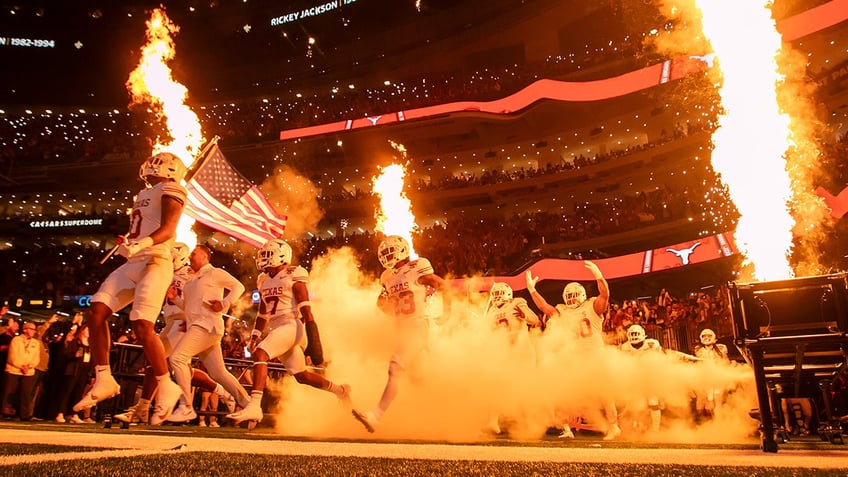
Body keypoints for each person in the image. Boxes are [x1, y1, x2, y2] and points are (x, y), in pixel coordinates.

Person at [73, 152, 187, 424]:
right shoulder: (143, 193)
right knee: (97, 310)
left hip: (156, 260)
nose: (152, 164)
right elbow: (145, 225)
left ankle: (166, 385)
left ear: (171, 169)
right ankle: (104, 378)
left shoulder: (173, 188)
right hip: (134, 260)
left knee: (141, 323)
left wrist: (142, 243)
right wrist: (132, 240)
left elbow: (169, 228)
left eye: (159, 162)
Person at [114, 243, 239, 425]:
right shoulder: (166, 273)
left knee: (158, 362)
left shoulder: (191, 273)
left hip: (183, 322)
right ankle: (221, 390)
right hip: (171, 322)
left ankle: (146, 408)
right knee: (180, 369)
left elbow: (196, 299)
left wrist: (194, 318)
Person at [228, 239, 350, 424]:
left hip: (292, 325)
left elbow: (306, 309)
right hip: (278, 328)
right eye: (263, 255)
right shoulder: (263, 280)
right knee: (302, 376)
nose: (264, 259)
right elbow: (263, 312)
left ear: (282, 255)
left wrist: (313, 338)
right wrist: (255, 335)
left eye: (268, 255)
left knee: (261, 354)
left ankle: (254, 406)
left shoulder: (294, 274)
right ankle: (341, 391)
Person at [352, 235, 451, 433]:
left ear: (403, 250)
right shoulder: (387, 277)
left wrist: (447, 311)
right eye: (385, 254)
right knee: (417, 378)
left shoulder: (418, 266)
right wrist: (388, 306)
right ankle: (441, 410)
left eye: (391, 252)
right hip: (402, 330)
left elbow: (442, 285)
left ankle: (375, 416)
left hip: (418, 326)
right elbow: (382, 304)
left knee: (395, 367)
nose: (388, 257)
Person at [525, 260, 621, 440]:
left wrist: (599, 277)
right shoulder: (562, 311)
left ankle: (614, 426)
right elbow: (544, 307)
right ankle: (565, 428)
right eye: (569, 295)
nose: (571, 297)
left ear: (583, 294)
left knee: (603, 392)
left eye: (575, 294)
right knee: (560, 392)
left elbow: (605, 295)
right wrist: (532, 290)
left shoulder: (592, 306)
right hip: (572, 358)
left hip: (593, 355)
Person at [167, 244, 251, 423]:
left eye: (194, 254)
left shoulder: (214, 273)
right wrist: (175, 299)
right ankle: (249, 404)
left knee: (177, 358)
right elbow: (190, 307)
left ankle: (186, 406)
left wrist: (224, 302)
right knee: (218, 373)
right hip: (201, 327)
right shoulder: (191, 280)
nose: (190, 256)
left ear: (205, 257)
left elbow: (238, 287)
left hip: (206, 326)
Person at [483, 282, 541, 435]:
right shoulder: (492, 311)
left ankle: (530, 423)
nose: (496, 296)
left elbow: (535, 320)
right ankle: (493, 422)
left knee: (525, 389)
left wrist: (525, 315)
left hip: (523, 352)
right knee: (495, 386)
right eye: (495, 293)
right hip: (506, 354)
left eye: (499, 293)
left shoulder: (517, 303)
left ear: (508, 294)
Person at [620, 324, 664, 433]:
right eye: (632, 334)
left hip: (650, 377)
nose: (634, 336)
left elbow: (660, 359)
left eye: (636, 334)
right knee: (636, 404)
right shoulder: (625, 347)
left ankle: (655, 429)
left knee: (653, 402)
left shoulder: (652, 344)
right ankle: (638, 425)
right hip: (635, 379)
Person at [1, 321, 39, 420]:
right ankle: (4, 412)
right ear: (25, 329)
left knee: (26, 393)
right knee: (8, 392)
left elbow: (36, 358)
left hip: (29, 372)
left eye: (34, 329)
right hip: (14, 370)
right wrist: (21, 366)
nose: (33, 331)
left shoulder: (36, 342)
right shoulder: (16, 340)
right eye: (31, 329)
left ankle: (24, 415)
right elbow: (12, 356)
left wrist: (29, 366)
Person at [692, 328, 729, 422]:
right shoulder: (698, 350)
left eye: (709, 336)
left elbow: (725, 362)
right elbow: (696, 364)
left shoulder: (721, 349)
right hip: (705, 379)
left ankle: (719, 422)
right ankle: (708, 423)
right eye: (704, 336)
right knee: (707, 401)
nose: (707, 338)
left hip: (718, 378)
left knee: (718, 401)